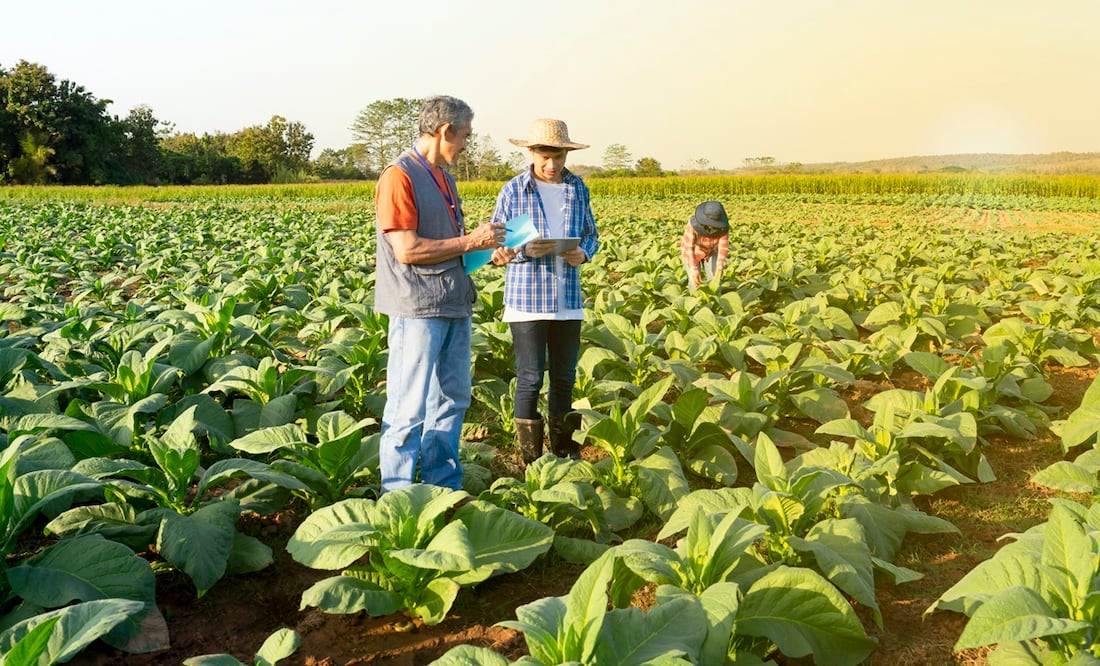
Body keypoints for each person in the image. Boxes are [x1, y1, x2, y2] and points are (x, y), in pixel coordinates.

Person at [374, 95, 506, 492]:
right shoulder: (399, 176)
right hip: (417, 308)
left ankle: (442, 490)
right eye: (464, 136)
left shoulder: (445, 179)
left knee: (452, 399)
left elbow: (451, 247)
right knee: (408, 406)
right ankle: (397, 496)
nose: (466, 144)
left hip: (453, 302)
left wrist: (488, 250)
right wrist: (470, 242)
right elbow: (407, 250)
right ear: (445, 131)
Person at [490, 118, 599, 463]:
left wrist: (583, 253)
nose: (552, 165)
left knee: (565, 378)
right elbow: (496, 244)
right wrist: (524, 250)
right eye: (545, 157)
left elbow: (591, 234)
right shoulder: (514, 190)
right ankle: (532, 461)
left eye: (559, 157)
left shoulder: (577, 188)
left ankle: (564, 452)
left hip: (567, 299)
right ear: (532, 152)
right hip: (527, 299)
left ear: (567, 154)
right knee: (531, 378)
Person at [680, 200, 730, 291]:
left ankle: (715, 299)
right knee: (694, 282)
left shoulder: (723, 228)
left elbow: (723, 249)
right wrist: (694, 271)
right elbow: (689, 249)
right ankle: (696, 299)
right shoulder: (693, 225)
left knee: (716, 281)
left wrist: (719, 269)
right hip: (693, 252)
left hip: (712, 251)